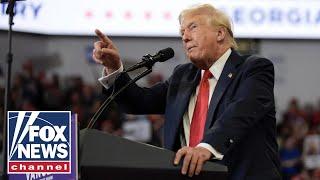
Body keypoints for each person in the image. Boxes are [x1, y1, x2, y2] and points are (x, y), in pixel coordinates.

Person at [92, 4, 281, 180]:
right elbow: (138, 101)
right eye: (182, 32)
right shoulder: (183, 75)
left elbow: (242, 111)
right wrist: (114, 68)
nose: (185, 37)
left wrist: (207, 146)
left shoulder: (253, 69)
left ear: (220, 33)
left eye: (193, 27)